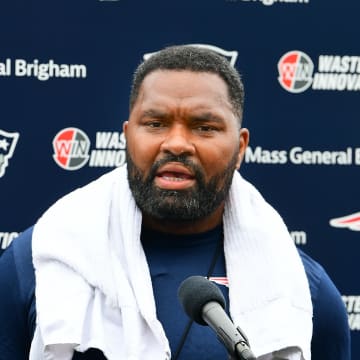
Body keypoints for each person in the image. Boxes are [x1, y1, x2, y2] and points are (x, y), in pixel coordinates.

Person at [0, 45, 351, 360]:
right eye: (155, 123)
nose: (177, 143)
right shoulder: (37, 263)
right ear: (127, 136)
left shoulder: (304, 293)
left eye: (204, 127)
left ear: (241, 147)